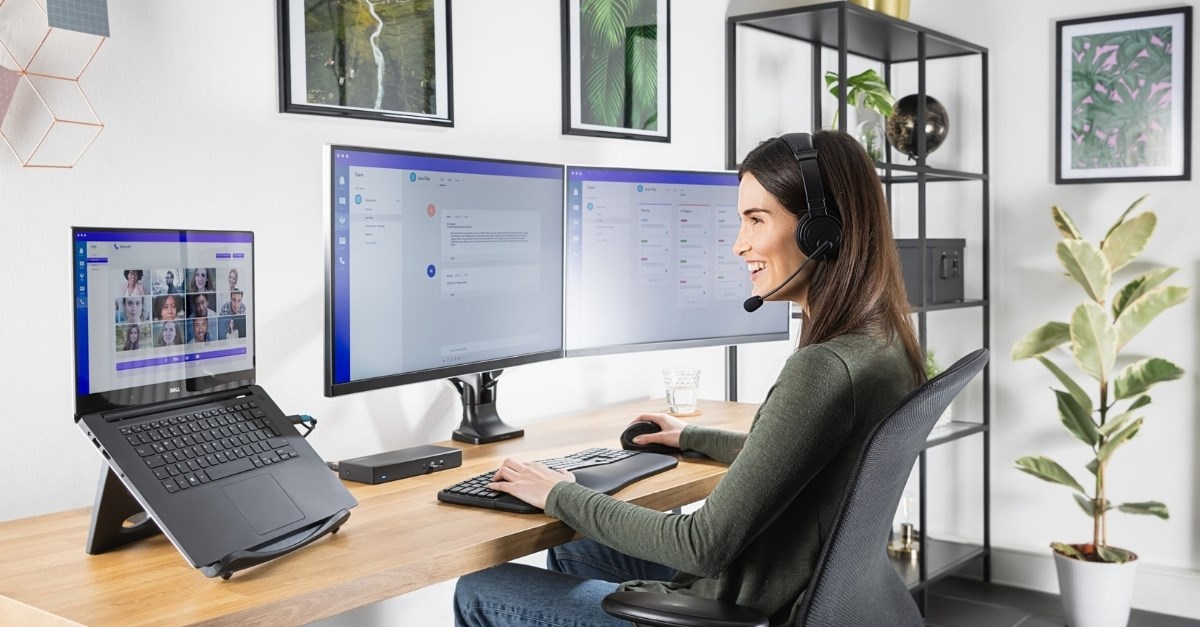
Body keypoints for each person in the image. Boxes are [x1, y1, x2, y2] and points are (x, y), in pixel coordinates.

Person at [453, 130, 926, 627]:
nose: (739, 245)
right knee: (578, 551)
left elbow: (699, 545)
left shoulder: (823, 369)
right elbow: (803, 461)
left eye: (755, 220)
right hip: (792, 587)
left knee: (482, 587)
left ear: (820, 232)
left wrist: (557, 491)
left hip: (755, 603)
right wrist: (692, 437)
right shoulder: (883, 341)